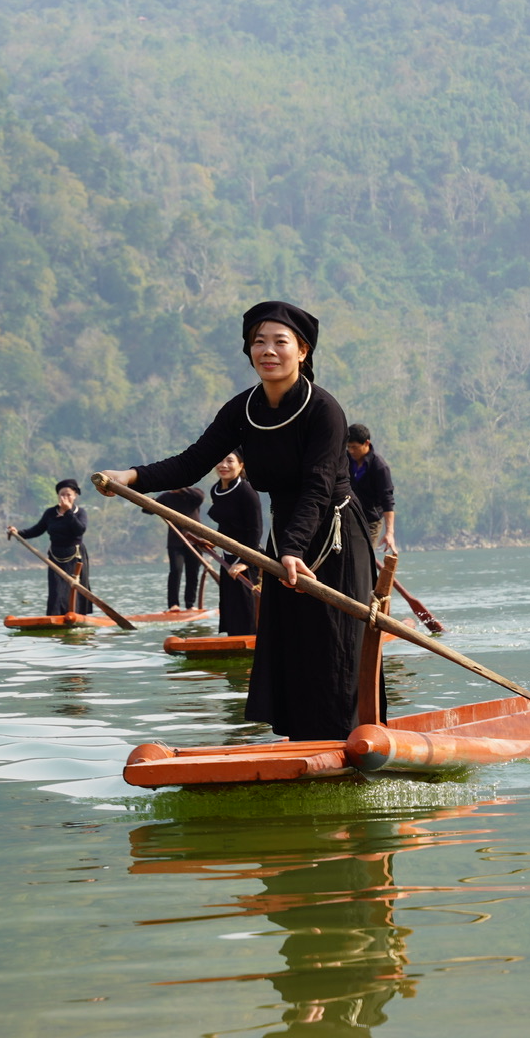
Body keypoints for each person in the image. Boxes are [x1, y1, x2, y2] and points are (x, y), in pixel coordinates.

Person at [100, 300, 376, 741]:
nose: (268, 350)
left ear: (302, 351)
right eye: (258, 342)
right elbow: (191, 462)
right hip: (287, 534)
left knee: (334, 643)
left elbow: (319, 487)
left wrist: (292, 549)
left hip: (334, 536)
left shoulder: (325, 409)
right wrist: (131, 476)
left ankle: (350, 739)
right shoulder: (242, 409)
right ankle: (302, 742)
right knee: (292, 643)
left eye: (280, 342)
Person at [8, 479, 91, 617]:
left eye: (68, 494)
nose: (65, 498)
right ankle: (55, 618)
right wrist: (18, 533)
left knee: (75, 589)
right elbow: (37, 530)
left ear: (75, 495)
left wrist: (68, 511)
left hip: (75, 557)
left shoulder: (79, 512)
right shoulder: (50, 513)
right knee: (56, 591)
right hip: (56, 557)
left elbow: (79, 530)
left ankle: (76, 617)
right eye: (62, 495)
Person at [207, 452, 263, 636]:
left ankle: (251, 638)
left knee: (246, 605)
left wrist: (246, 562)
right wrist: (212, 540)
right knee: (230, 604)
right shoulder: (216, 490)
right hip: (227, 556)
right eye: (220, 460)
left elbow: (255, 529)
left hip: (246, 556)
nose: (223, 465)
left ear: (241, 465)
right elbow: (226, 524)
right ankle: (233, 637)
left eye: (229, 461)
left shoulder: (246, 491)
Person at [345, 423, 397, 557]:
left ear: (366, 443)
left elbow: (388, 500)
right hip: (347, 516)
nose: (351, 451)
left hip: (370, 521)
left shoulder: (379, 467)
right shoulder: (345, 460)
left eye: (355, 447)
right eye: (348, 447)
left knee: (362, 556)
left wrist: (389, 533)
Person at [158, 486, 210, 611]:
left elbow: (200, 498)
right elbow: (147, 509)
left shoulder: (194, 494)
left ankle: (190, 605)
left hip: (195, 540)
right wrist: (152, 502)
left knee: (193, 573)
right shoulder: (166, 496)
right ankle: (173, 605)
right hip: (176, 542)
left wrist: (182, 488)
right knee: (176, 571)